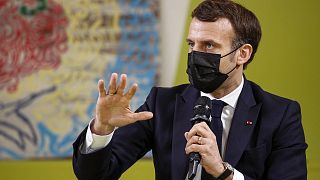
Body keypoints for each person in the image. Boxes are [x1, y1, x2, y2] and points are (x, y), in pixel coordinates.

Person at [72, 0, 308, 179]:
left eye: (209, 45)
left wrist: (222, 171)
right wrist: (102, 129)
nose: (195, 54)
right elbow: (95, 175)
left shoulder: (280, 114)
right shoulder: (162, 103)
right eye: (191, 44)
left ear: (242, 54)